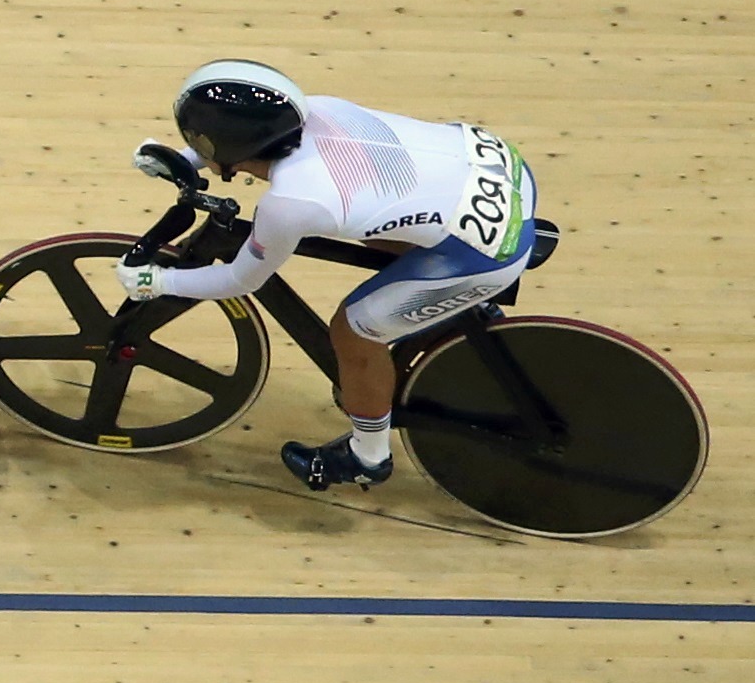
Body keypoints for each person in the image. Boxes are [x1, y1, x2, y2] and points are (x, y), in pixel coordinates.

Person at [112, 59, 540, 494]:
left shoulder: (292, 203)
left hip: (485, 249)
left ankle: (367, 457)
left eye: (200, 140)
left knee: (354, 331)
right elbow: (245, 141)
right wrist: (183, 160)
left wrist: (157, 282)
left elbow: (241, 280)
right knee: (375, 224)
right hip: (500, 167)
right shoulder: (315, 108)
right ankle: (452, 303)